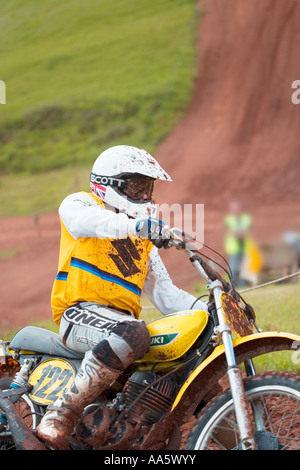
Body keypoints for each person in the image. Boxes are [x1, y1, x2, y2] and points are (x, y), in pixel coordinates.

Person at [36, 145, 208, 450]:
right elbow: (87, 223)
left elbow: (167, 297)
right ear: (109, 184)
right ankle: (61, 415)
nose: (145, 196)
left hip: (119, 327)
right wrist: (138, 226)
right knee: (134, 332)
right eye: (136, 187)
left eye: (148, 188)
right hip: (78, 314)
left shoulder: (144, 244)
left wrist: (210, 310)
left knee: (187, 355)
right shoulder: (81, 204)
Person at [224, 201, 252, 287]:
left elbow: (249, 231)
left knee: (244, 268)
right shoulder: (229, 220)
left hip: (245, 247)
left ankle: (243, 286)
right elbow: (230, 232)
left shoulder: (246, 219)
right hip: (234, 248)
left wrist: (240, 234)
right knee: (233, 268)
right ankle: (232, 287)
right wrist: (239, 234)